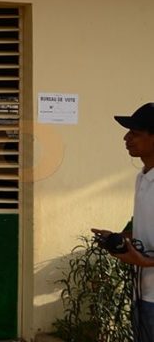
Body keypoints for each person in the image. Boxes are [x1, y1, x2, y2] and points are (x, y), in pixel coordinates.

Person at [92, 102, 154, 341]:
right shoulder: (143, 177)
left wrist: (145, 261)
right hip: (143, 292)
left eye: (135, 134)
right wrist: (118, 237)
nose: (126, 138)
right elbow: (139, 219)